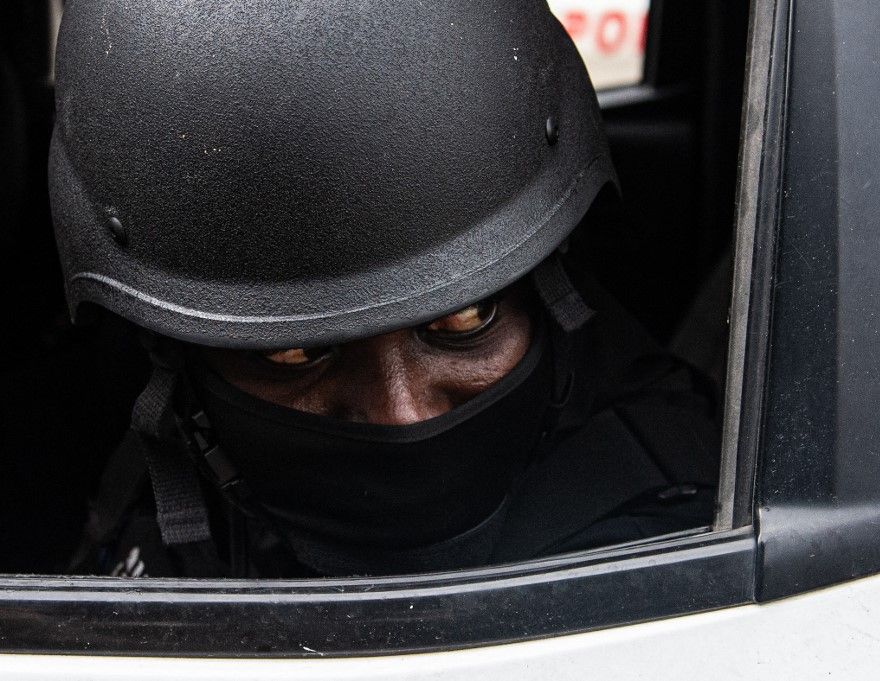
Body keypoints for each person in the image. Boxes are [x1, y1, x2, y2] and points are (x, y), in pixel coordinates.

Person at [50, 0, 719, 578]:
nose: (404, 414)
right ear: (178, 360)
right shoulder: (161, 487)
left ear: (550, 291)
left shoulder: (691, 537)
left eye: (466, 319)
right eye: (296, 353)